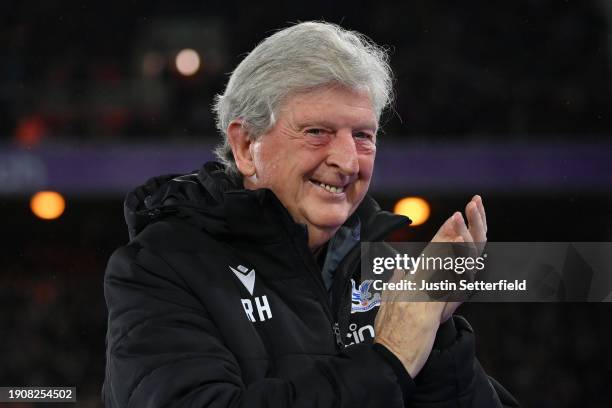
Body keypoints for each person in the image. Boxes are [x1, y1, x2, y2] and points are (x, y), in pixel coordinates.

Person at [103, 21, 519, 407]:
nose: (347, 161)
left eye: (362, 136)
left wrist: (437, 340)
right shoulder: (161, 268)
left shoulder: (385, 270)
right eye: (317, 132)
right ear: (247, 146)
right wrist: (389, 360)